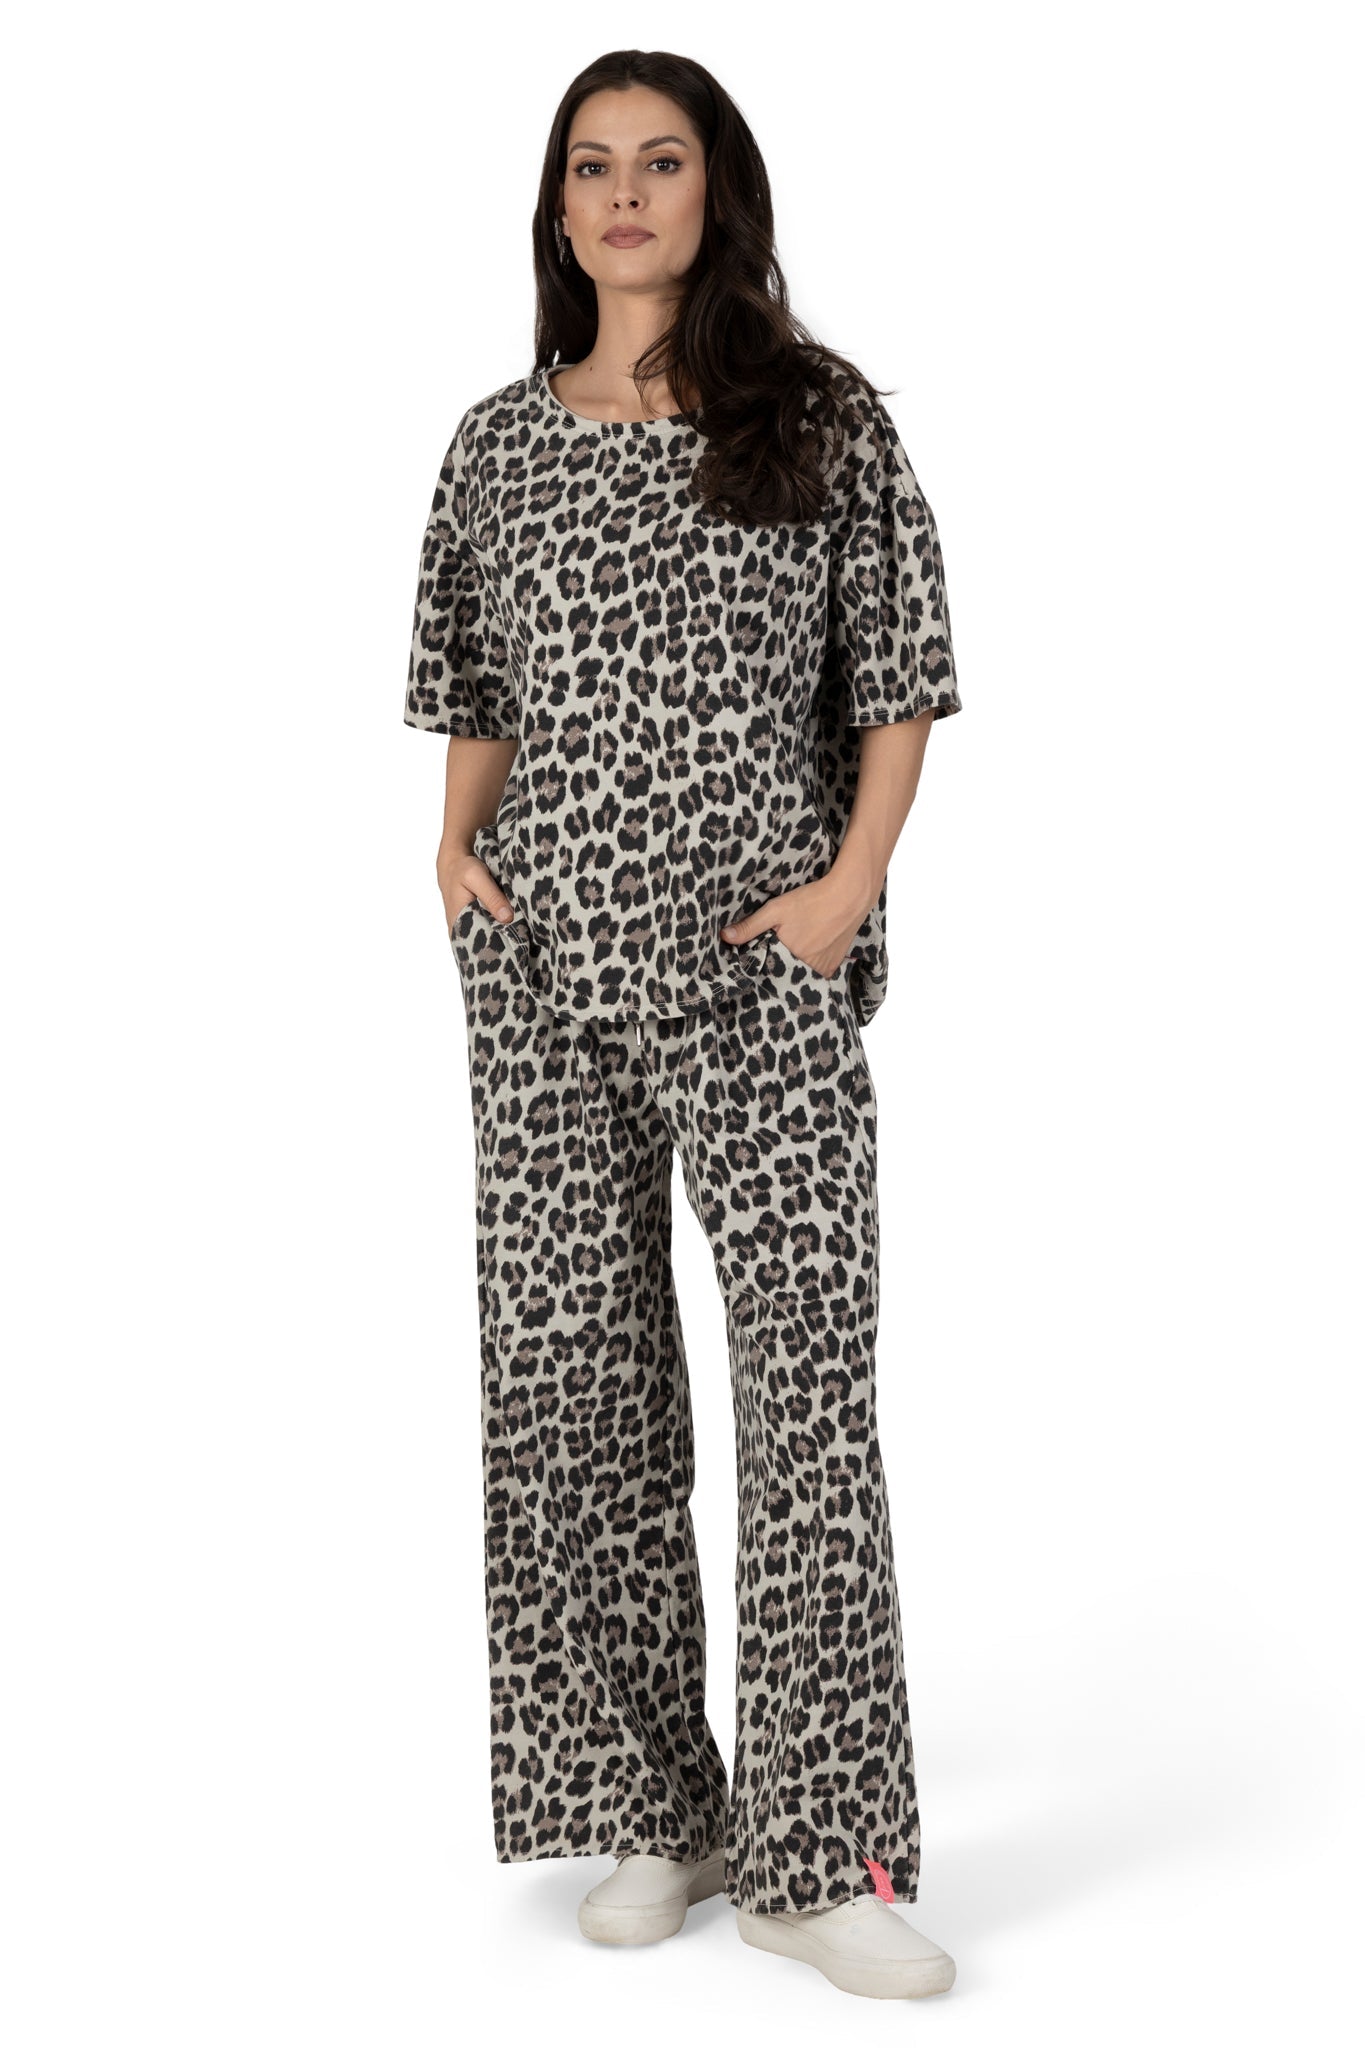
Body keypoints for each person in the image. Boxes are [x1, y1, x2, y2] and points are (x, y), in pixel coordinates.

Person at [403, 49, 963, 2003]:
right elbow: (474, 683)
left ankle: (820, 1852)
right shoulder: (493, 444)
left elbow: (898, 673)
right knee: (578, 1394)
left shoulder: (812, 416)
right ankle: (659, 1805)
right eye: (591, 166)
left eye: (659, 161)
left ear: (715, 191)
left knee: (806, 1391)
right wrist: (451, 853)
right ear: (556, 207)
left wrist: (845, 889)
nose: (624, 194)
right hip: (543, 974)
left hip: (758, 970)